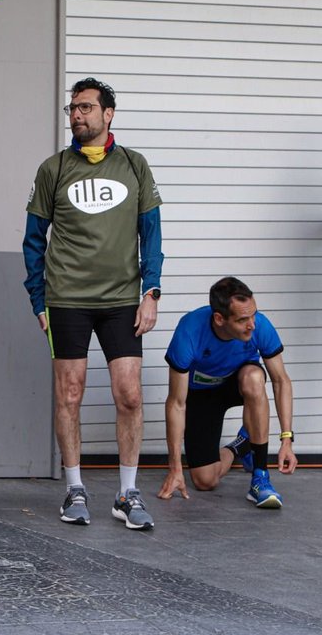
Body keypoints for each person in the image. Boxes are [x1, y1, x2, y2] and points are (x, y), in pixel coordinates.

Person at [22, 77, 163, 530]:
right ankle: (75, 488)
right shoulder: (53, 169)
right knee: (70, 393)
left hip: (123, 299)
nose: (77, 115)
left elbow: (152, 235)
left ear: (108, 114)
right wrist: (38, 298)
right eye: (72, 109)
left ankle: (127, 493)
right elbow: (32, 239)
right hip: (66, 299)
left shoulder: (135, 166)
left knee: (130, 395)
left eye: (85, 108)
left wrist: (151, 292)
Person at [157, 277, 297, 508]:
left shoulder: (259, 325)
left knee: (254, 378)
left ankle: (260, 478)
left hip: (239, 382)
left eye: (253, 314)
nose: (252, 324)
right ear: (220, 319)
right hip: (201, 394)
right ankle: (241, 445)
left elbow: (281, 381)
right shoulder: (189, 331)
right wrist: (175, 469)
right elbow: (176, 403)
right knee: (205, 481)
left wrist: (286, 440)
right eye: (243, 319)